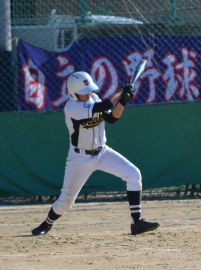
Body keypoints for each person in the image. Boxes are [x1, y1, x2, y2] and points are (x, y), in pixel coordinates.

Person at [31, 71, 160, 236]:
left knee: (133, 174)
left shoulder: (93, 98)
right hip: (80, 158)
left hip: (102, 152)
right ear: (74, 93)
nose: (89, 93)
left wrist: (123, 101)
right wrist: (122, 90)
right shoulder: (72, 107)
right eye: (84, 92)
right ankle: (46, 224)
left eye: (89, 90)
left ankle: (136, 222)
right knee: (66, 201)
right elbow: (105, 106)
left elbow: (112, 118)